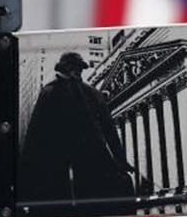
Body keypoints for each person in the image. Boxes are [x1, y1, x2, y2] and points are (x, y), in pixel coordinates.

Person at [19, 51, 137, 206]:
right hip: (58, 160)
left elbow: (109, 129)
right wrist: (28, 167)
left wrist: (121, 160)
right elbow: (35, 133)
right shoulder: (49, 92)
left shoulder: (92, 94)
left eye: (79, 69)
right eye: (74, 68)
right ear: (63, 68)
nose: (77, 72)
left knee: (91, 200)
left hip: (88, 157)